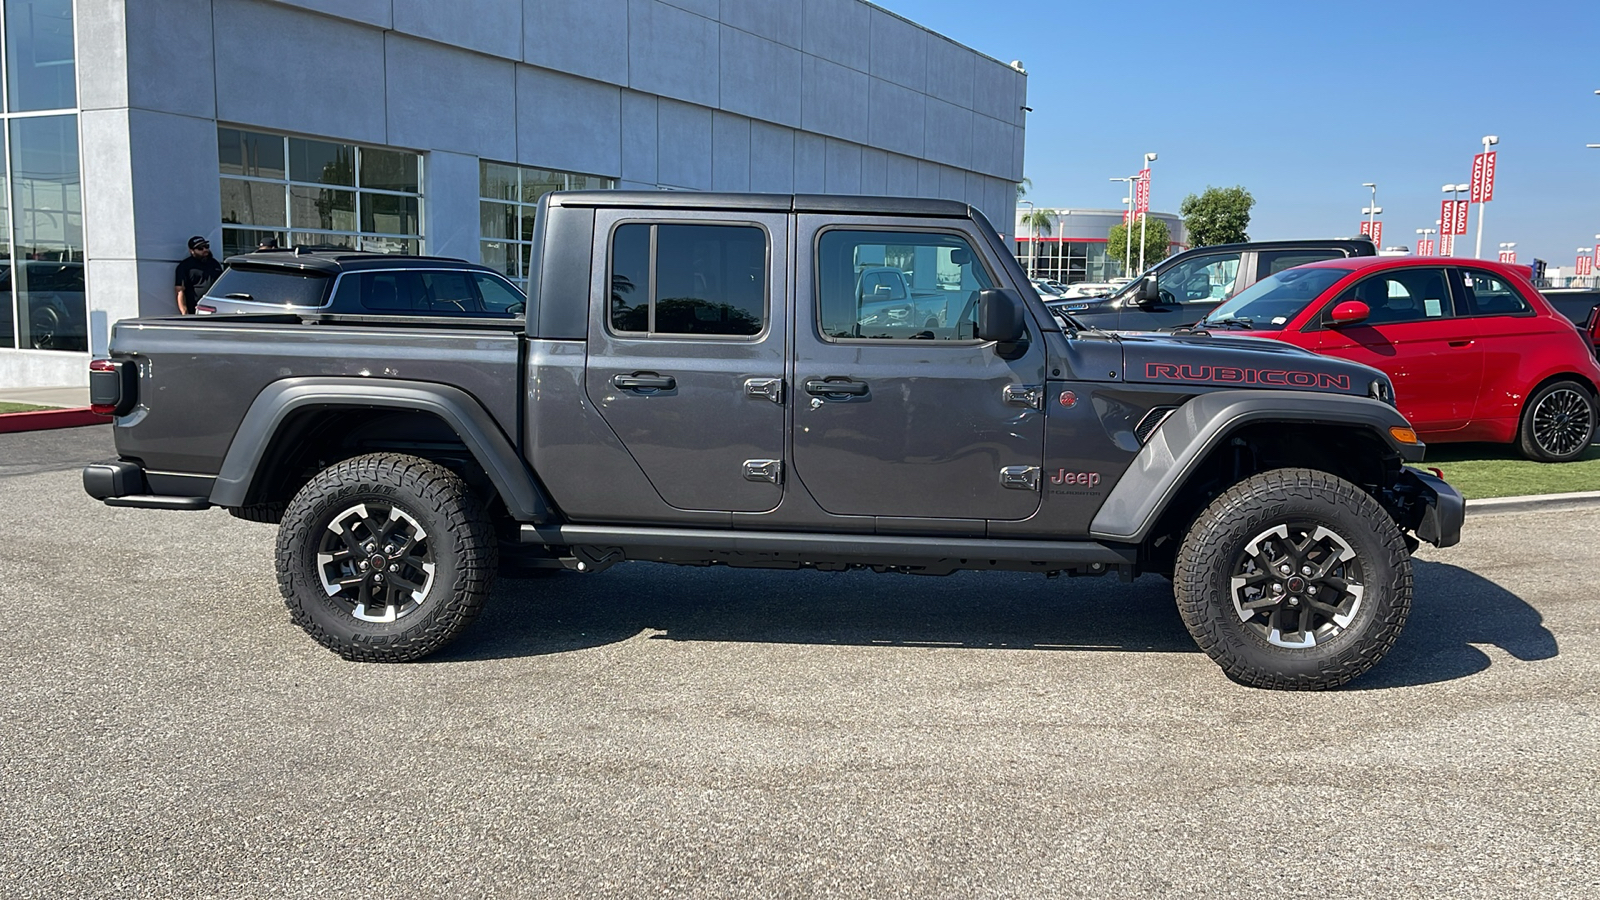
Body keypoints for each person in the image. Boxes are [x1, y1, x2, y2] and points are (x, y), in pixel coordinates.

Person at [174, 235, 222, 315]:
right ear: (192, 251)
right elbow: (179, 290)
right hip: (196, 309)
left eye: (206, 247)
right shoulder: (185, 266)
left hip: (215, 308)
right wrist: (184, 311)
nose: (205, 250)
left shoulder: (214, 264)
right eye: (200, 248)